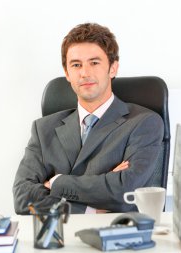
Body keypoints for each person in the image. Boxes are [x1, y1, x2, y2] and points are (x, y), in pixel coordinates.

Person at [13, 23, 164, 214]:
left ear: (113, 68)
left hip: (113, 236)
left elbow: (125, 193)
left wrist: (56, 182)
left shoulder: (144, 123)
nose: (85, 73)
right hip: (56, 237)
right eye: (76, 65)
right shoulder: (44, 129)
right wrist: (90, 206)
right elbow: (22, 198)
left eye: (94, 62)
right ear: (67, 73)